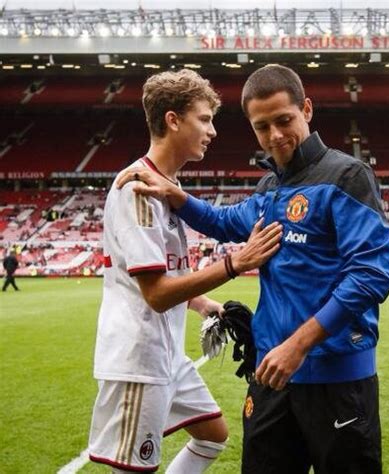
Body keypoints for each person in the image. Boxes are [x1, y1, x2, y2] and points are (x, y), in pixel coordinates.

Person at [117, 64, 389, 474]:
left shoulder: (347, 176)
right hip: (271, 379)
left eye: (284, 120)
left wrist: (299, 345)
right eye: (262, 127)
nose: (275, 136)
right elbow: (224, 221)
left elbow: (371, 274)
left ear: (307, 109)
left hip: (338, 382)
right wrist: (175, 194)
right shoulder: (269, 190)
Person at [88, 69, 282, 474]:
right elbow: (157, 294)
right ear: (173, 120)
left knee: (214, 434)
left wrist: (204, 304)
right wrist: (235, 263)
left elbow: (169, 274)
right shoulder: (139, 191)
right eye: (205, 119)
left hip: (166, 353)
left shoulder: (165, 187)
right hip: (138, 357)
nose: (212, 131)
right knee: (134, 469)